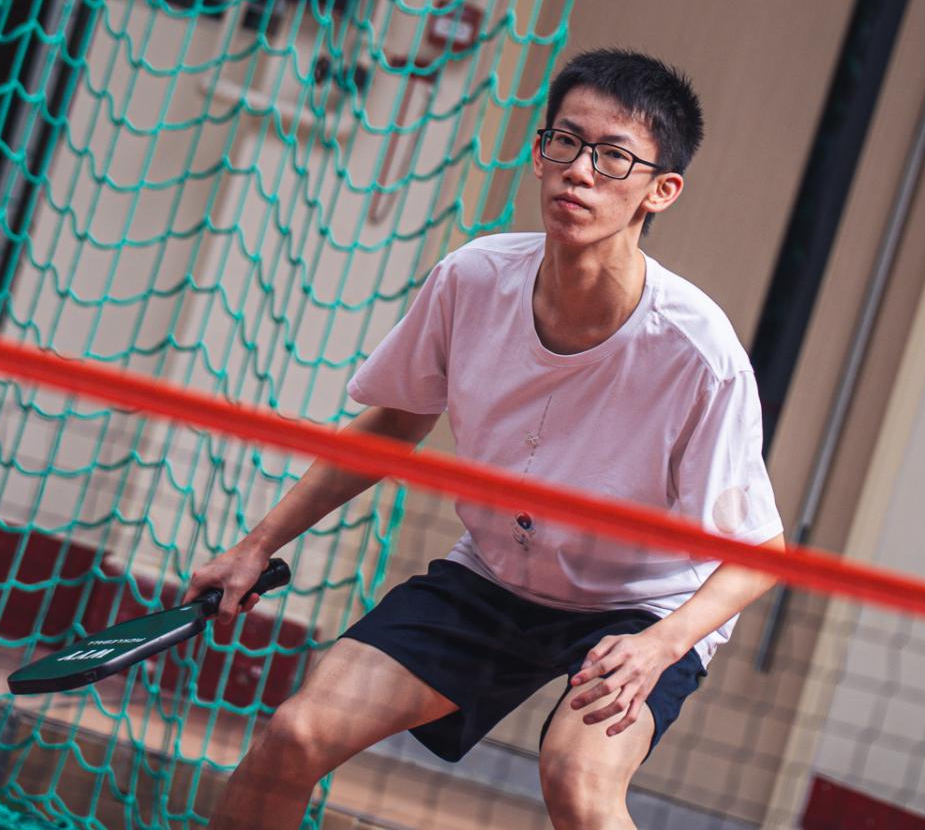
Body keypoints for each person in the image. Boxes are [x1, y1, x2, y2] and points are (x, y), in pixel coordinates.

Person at [194, 48, 784, 830]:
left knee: (578, 780)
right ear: (540, 152)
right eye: (565, 142)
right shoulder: (472, 279)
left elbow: (759, 551)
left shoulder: (697, 353)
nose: (580, 171)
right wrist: (257, 544)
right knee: (295, 733)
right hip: (497, 575)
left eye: (613, 156)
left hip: (639, 605)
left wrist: (662, 645)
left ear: (661, 190)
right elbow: (394, 423)